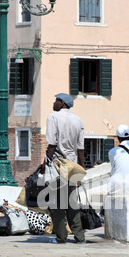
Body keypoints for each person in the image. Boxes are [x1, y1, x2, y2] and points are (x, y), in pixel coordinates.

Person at [45, 93, 86, 244]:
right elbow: (80, 149)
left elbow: (51, 145)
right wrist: (80, 170)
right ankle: (79, 236)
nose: (54, 103)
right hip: (73, 165)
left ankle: (61, 237)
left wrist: (45, 164)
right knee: (72, 203)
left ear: (62, 103)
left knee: (57, 204)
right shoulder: (78, 120)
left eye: (56, 100)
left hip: (58, 164)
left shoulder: (53, 117)